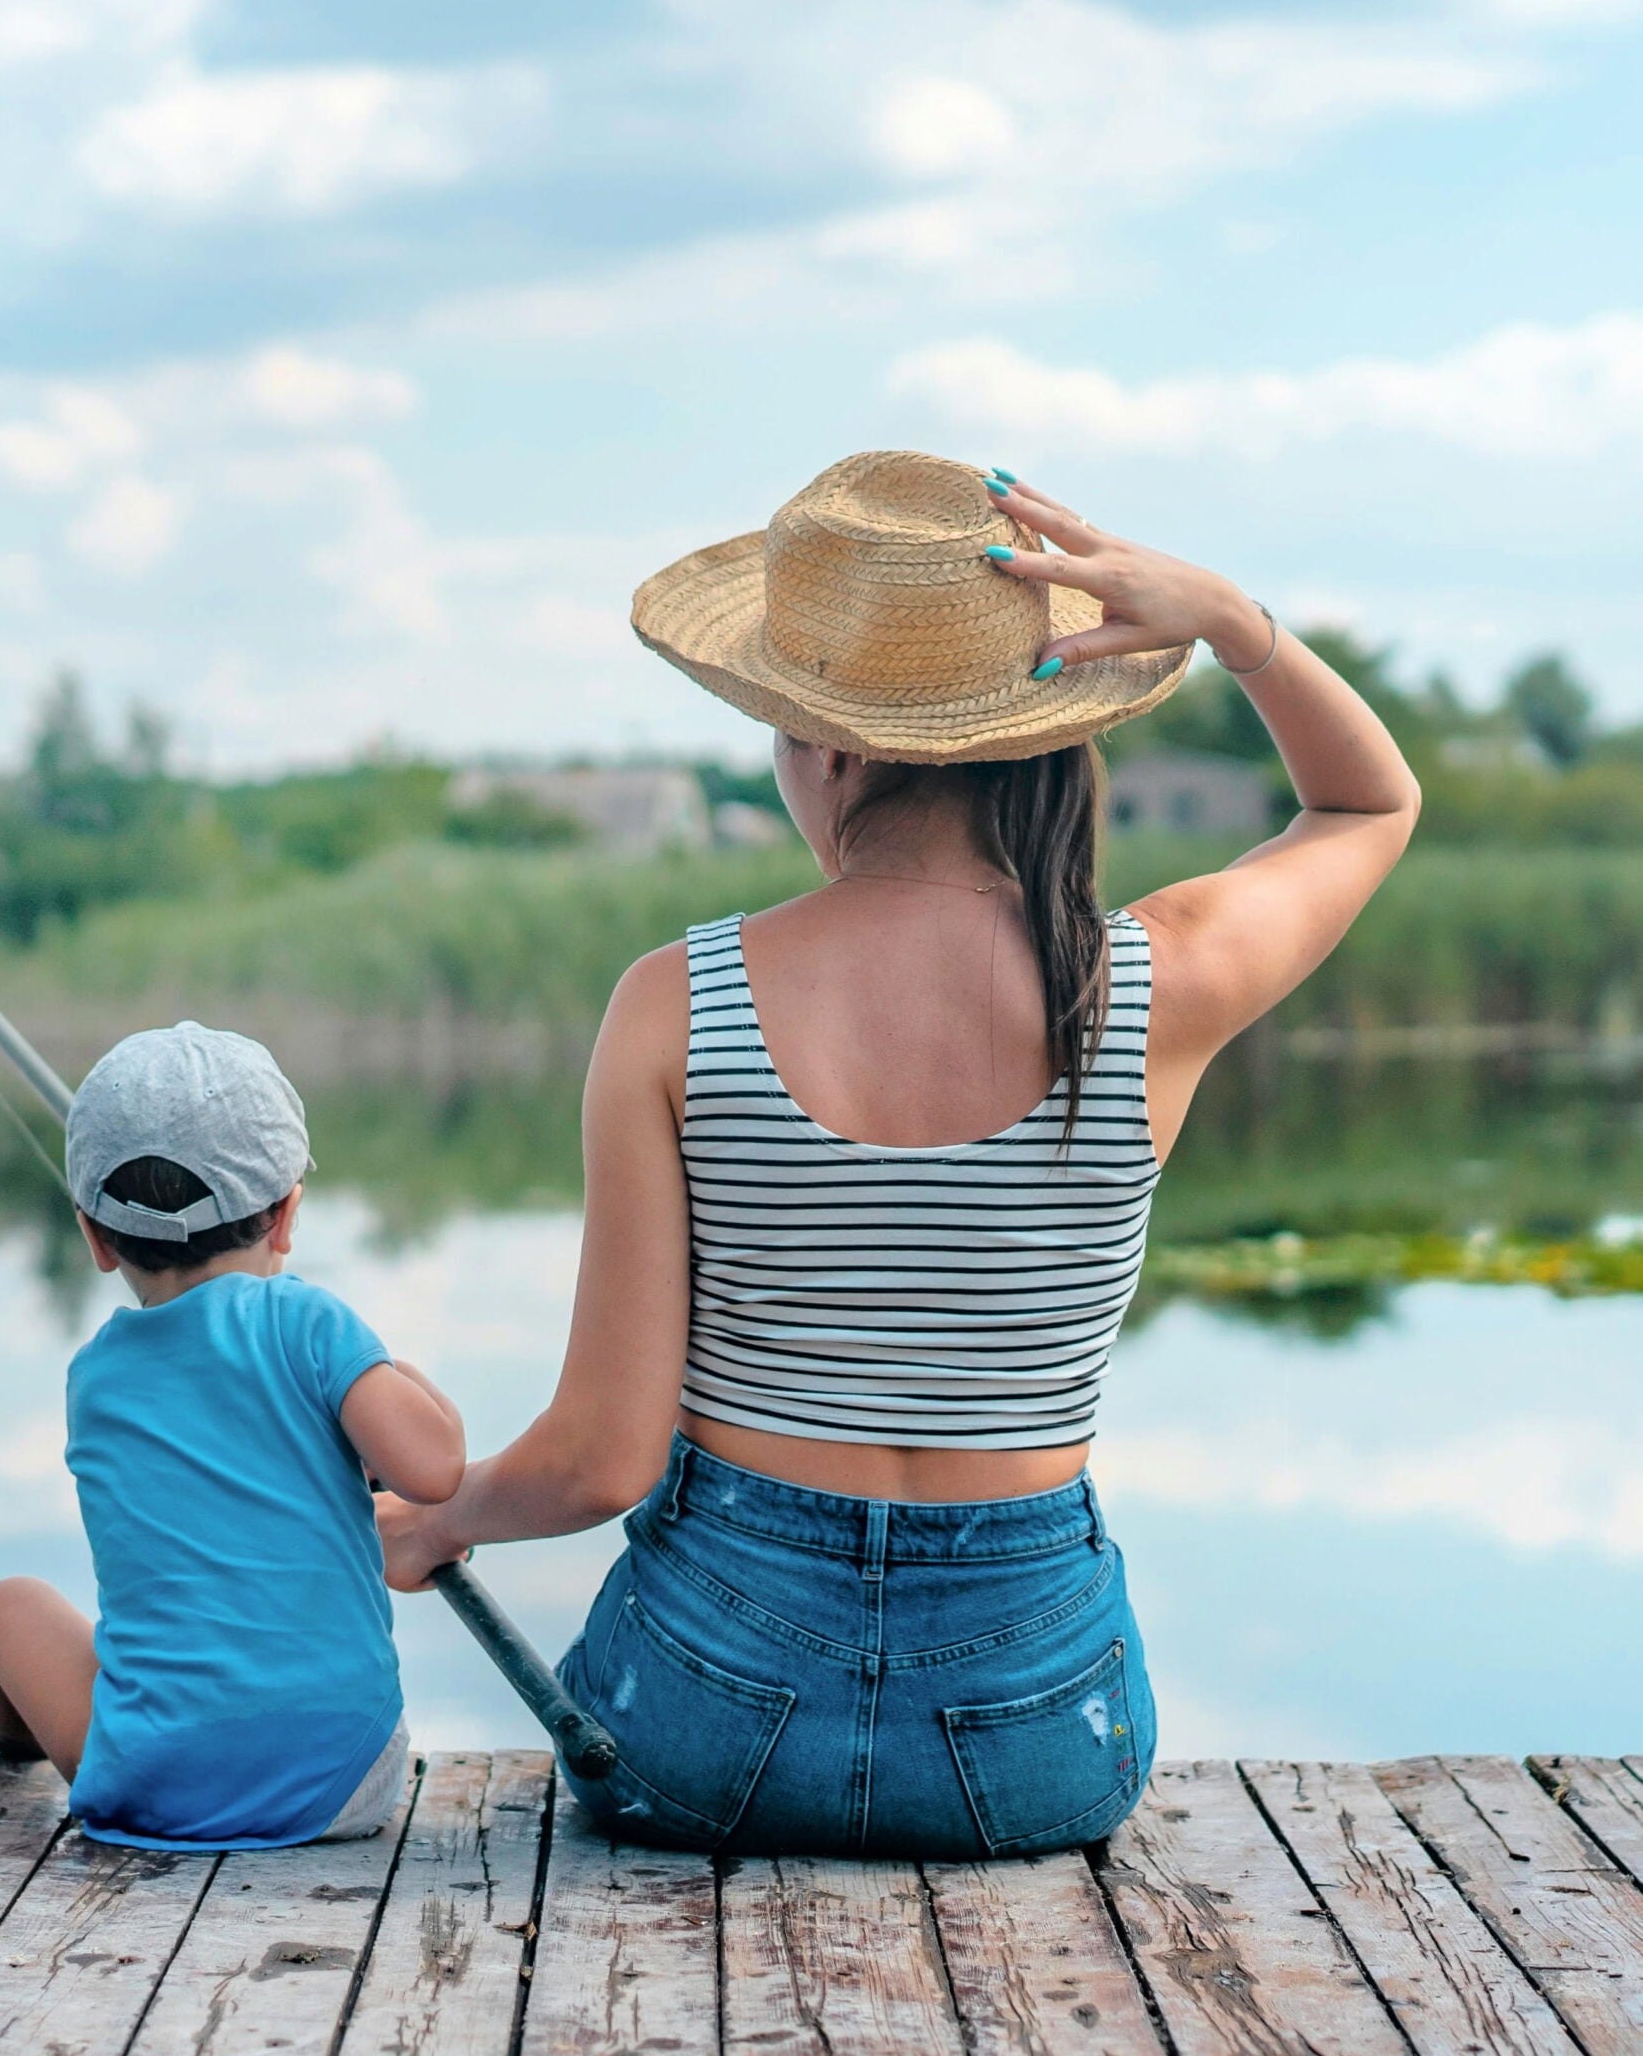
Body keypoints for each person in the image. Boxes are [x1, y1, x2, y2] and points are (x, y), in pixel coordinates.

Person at [379, 450, 1419, 1860]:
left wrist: (441, 1519)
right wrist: (1231, 621)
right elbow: (1365, 804)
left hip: (700, 1735)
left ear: (833, 747)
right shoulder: (1154, 983)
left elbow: (598, 1461)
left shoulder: (676, 1002)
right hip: (1042, 1742)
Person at [0, 1022, 465, 1849]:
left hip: (152, 1786)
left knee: (6, 1607)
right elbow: (436, 1468)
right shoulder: (311, 1325)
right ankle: (6, 1716)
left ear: (93, 1237)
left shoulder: (95, 1378)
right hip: (347, 1784)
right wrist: (385, 1368)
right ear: (286, 1215)